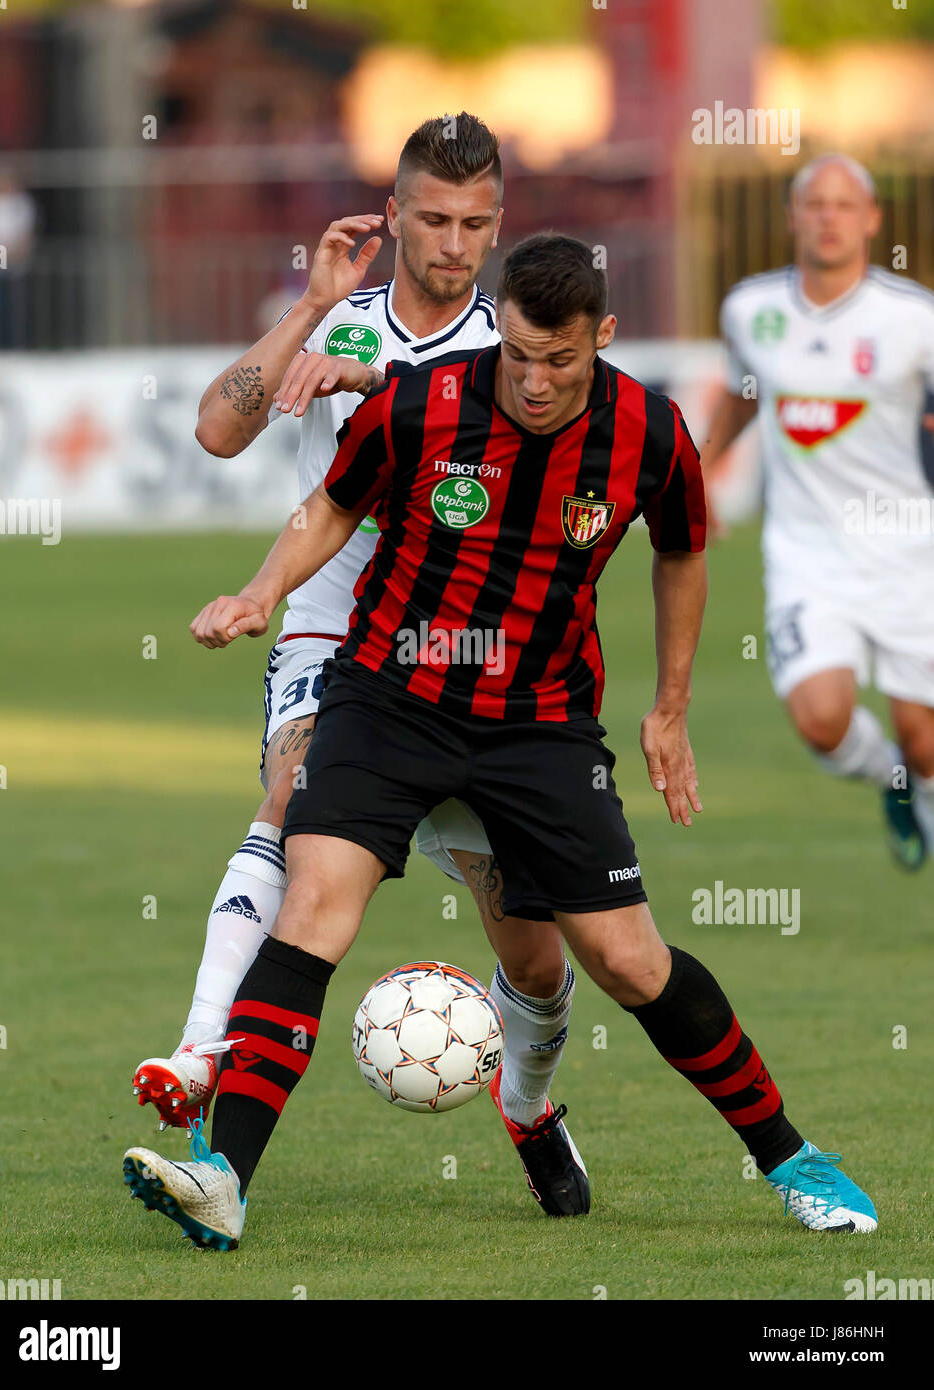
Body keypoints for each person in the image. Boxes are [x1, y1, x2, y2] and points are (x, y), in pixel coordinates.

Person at [124, 233, 877, 1250]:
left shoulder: (649, 432)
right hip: (389, 698)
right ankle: (223, 1175)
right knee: (314, 907)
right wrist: (261, 593)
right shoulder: (422, 402)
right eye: (516, 354)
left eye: (559, 362)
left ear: (601, 338)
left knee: (620, 959)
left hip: (538, 726)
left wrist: (669, 708)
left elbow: (683, 552)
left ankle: (789, 1156)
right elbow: (330, 506)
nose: (531, 380)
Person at [131, 113, 590, 1218]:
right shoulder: (332, 321)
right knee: (290, 792)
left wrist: (383, 397)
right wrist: (308, 314)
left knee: (529, 953)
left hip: (469, 658)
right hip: (334, 640)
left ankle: (525, 1103)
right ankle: (200, 1058)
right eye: (430, 219)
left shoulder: (508, 351)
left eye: (475, 223)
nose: (452, 243)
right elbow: (214, 431)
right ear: (391, 217)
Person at [701, 153, 934, 870]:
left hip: (907, 550)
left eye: (843, 206)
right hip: (806, 554)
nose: (828, 218)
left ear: (870, 220)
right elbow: (742, 391)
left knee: (923, 735)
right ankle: (888, 779)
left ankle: (914, 779)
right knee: (821, 719)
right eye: (815, 204)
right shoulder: (751, 309)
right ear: (793, 217)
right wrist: (704, 467)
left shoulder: (912, 319)